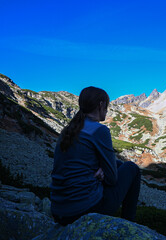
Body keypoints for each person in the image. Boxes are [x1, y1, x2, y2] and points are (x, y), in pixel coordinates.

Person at [50, 86, 141, 226]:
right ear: (101, 105)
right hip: (84, 211)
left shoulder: (68, 130)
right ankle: (129, 224)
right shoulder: (99, 130)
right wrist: (105, 171)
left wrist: (102, 169)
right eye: (107, 105)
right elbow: (112, 179)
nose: (107, 109)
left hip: (58, 210)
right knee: (131, 168)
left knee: (117, 165)